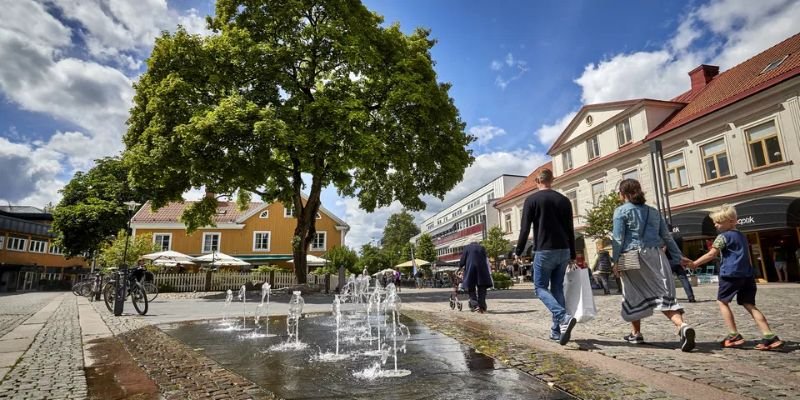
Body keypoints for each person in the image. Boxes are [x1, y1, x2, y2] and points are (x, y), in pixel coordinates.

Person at [611, 178, 696, 352]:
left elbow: (618, 239)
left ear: (624, 194)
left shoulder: (620, 211)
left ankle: (637, 334)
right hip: (656, 255)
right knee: (662, 292)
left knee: (632, 292)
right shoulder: (653, 211)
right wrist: (678, 256)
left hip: (631, 256)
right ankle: (681, 325)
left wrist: (615, 261)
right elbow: (667, 236)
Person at [688, 205, 784, 350]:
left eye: (718, 222)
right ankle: (769, 336)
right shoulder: (742, 236)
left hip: (731, 274)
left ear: (731, 221)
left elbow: (711, 254)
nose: (715, 224)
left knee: (722, 302)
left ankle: (733, 335)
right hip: (747, 275)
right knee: (749, 304)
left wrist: (694, 264)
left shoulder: (722, 237)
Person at [514, 168, 577, 345]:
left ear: (537, 181)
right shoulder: (564, 200)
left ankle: (563, 318)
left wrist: (518, 251)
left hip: (544, 250)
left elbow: (525, 229)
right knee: (557, 288)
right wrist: (572, 253)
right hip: (563, 249)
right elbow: (569, 229)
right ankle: (556, 332)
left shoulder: (532, 200)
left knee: (540, 288)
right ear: (552, 180)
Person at [459, 241, 492, 313]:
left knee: (471, 289)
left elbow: (462, 260)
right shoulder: (482, 248)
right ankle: (482, 306)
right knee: (482, 288)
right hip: (482, 270)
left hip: (471, 270)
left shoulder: (467, 248)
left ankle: (475, 305)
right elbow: (485, 259)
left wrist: (460, 266)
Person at [665, 230, 696, 302]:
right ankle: (691, 296)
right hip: (678, 260)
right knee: (684, 279)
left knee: (667, 280)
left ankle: (669, 297)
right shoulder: (679, 237)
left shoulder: (667, 237)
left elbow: (664, 250)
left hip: (668, 261)